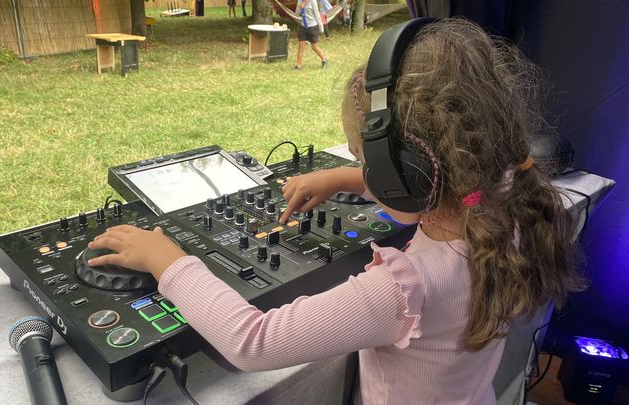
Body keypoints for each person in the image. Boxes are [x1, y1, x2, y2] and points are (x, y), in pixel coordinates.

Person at [87, 18, 585, 404]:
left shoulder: (403, 289)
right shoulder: (509, 200)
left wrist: (166, 260)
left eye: (361, 158)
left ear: (406, 175)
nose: (358, 167)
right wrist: (347, 179)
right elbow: (442, 190)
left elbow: (253, 341)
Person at [293, 0, 328, 70]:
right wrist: (300, 7)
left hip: (313, 26)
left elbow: (317, 14)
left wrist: (321, 28)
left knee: (314, 46)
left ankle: (324, 60)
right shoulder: (300, 1)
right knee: (301, 45)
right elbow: (296, 14)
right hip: (303, 26)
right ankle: (298, 66)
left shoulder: (312, 1)